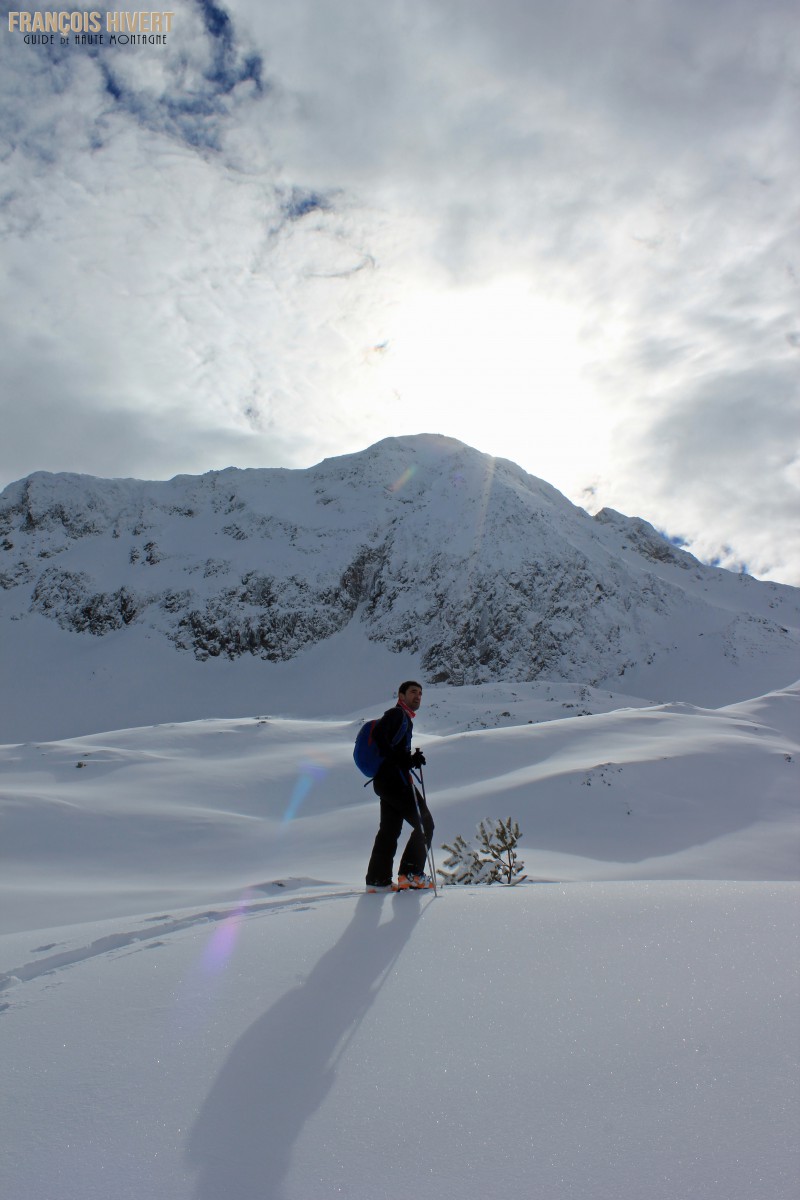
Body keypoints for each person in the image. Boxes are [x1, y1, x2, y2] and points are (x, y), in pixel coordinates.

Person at [365, 680, 434, 891]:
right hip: (396, 781)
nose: (418, 696)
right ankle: (411, 874)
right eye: (413, 692)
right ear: (401, 695)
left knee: (389, 830)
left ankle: (378, 880)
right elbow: (379, 737)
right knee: (425, 824)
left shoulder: (404, 719)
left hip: (385, 781)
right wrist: (401, 760)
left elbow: (394, 750)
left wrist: (411, 759)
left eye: (420, 693)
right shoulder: (397, 715)